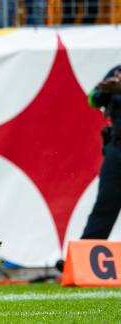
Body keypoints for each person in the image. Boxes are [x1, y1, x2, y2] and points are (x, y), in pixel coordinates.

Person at [80, 66, 121, 239]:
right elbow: (92, 100)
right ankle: (86, 255)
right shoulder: (117, 72)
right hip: (117, 149)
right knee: (105, 203)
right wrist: (104, 91)